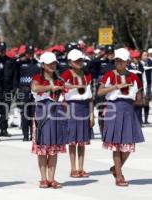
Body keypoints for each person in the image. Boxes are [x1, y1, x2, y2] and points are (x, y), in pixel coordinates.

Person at [97, 48, 145, 187]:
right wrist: (115, 86)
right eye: (116, 60)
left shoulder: (135, 77)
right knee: (117, 145)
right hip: (113, 108)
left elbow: (139, 97)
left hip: (129, 110)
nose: (118, 63)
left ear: (127, 62)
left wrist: (138, 101)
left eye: (121, 60)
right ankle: (119, 176)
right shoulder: (109, 75)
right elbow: (100, 92)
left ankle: (116, 169)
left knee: (129, 145)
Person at [31, 52, 67, 189]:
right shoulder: (37, 78)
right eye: (49, 63)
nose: (52, 65)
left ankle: (52, 179)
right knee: (42, 148)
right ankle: (43, 179)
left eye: (54, 63)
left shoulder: (59, 79)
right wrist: (51, 87)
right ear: (43, 65)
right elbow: (35, 88)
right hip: (42, 114)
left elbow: (64, 95)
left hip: (57, 115)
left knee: (54, 148)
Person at [61, 49, 94, 178]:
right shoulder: (66, 74)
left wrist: (92, 114)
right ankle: (73, 168)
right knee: (72, 141)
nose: (79, 63)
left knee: (82, 141)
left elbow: (90, 96)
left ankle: (81, 168)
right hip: (72, 108)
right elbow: (63, 87)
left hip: (84, 107)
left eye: (81, 60)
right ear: (70, 62)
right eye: (76, 61)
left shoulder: (87, 74)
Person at [16, 45, 41, 141]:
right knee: (24, 113)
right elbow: (12, 68)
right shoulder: (20, 63)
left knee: (34, 113)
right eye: (28, 53)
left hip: (34, 91)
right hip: (23, 91)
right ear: (25, 53)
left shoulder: (37, 64)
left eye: (31, 53)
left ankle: (33, 135)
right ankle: (25, 135)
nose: (29, 55)